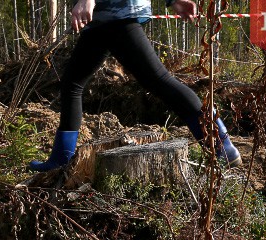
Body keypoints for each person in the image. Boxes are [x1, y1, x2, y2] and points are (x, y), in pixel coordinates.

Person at [29, 0, 242, 172]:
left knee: (159, 80)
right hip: (106, 16)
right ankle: (60, 160)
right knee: (72, 83)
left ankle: (222, 147)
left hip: (115, 12)